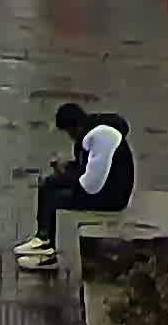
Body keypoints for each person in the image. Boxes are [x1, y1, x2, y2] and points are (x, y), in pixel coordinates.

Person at [16, 102, 135, 272]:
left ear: (76, 127)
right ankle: (42, 239)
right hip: (104, 187)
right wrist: (67, 169)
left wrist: (67, 175)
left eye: (69, 132)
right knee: (48, 183)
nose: (70, 137)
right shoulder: (90, 133)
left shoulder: (102, 136)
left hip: (113, 197)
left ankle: (48, 258)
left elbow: (91, 185)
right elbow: (89, 169)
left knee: (56, 199)